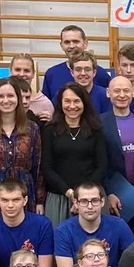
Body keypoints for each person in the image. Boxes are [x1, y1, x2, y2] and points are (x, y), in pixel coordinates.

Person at [0, 78, 44, 219]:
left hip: (26, 192)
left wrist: (40, 201)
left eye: (10, 95)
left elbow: (38, 167)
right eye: (0, 96)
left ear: (18, 98)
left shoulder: (32, 128)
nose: (6, 100)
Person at [40, 83, 106, 227]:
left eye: (77, 101)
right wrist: (70, 193)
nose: (72, 106)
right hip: (59, 197)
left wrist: (84, 195)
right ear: (60, 103)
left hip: (91, 198)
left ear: (84, 103)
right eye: (67, 101)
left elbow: (102, 165)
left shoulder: (96, 130)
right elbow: (46, 167)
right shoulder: (49, 130)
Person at [54, 182, 133, 267]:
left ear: (102, 202)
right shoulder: (63, 231)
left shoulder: (119, 225)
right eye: (84, 201)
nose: (90, 206)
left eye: (95, 201)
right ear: (76, 203)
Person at [41, 25, 112, 103]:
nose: (71, 46)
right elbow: (47, 106)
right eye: (67, 42)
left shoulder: (101, 74)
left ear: (85, 43)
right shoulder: (51, 74)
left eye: (76, 41)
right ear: (61, 45)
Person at [11, 53, 54, 122]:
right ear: (10, 71)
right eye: (17, 70)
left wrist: (51, 123)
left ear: (33, 73)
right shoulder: (2, 99)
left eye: (27, 70)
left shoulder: (45, 103)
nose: (22, 74)